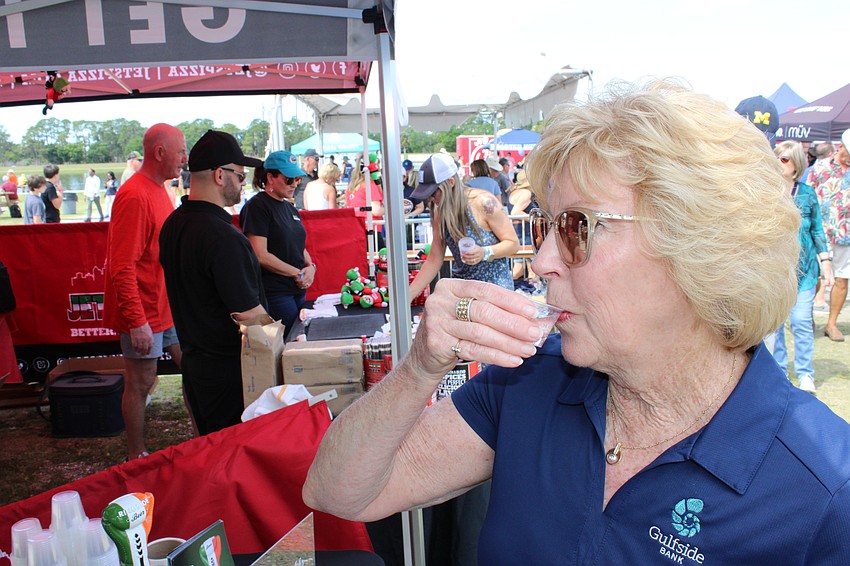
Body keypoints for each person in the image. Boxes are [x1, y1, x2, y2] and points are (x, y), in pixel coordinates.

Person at [304, 81, 850, 564]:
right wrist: (419, 368)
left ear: (698, 250)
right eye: (545, 224)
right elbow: (339, 492)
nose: (541, 261)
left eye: (575, 226)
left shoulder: (823, 489)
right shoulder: (529, 382)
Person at [160, 130, 267, 435]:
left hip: (196, 366)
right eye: (241, 174)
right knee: (233, 459)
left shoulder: (174, 223)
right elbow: (249, 314)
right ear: (221, 175)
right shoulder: (222, 236)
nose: (244, 182)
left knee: (210, 451)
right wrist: (285, 345)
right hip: (230, 372)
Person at [103, 123, 188, 461]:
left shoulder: (158, 188)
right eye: (180, 151)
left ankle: (203, 439)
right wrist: (137, 321)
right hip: (144, 311)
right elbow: (121, 266)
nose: (184, 157)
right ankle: (135, 454)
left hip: (166, 307)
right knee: (141, 382)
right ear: (159, 153)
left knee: (193, 369)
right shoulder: (135, 195)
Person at [768, 141, 833, 394]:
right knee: (776, 325)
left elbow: (817, 229)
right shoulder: (768, 193)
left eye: (783, 159)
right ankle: (780, 371)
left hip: (805, 272)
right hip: (776, 270)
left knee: (800, 321)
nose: (778, 163)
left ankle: (806, 373)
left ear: (797, 163)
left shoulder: (806, 194)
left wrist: (826, 262)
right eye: (776, 158)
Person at [409, 153, 519, 299]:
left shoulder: (484, 202)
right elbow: (434, 258)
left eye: (433, 192)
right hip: (463, 292)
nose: (430, 198)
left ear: (450, 182)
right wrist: (407, 297)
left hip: (495, 293)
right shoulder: (439, 211)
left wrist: (485, 252)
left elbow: (513, 243)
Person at [240, 150, 315, 340]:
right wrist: (298, 273)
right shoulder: (258, 206)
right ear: (270, 177)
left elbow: (299, 245)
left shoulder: (289, 207)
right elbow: (260, 255)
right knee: (290, 342)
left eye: (297, 179)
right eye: (289, 179)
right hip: (275, 292)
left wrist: (311, 267)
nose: (294, 185)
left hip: (296, 287)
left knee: (299, 340)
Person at [814, 129, 850, 341]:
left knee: (842, 280)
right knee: (815, 277)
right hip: (821, 234)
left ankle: (832, 322)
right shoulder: (821, 168)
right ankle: (807, 316)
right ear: (841, 147)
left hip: (847, 237)